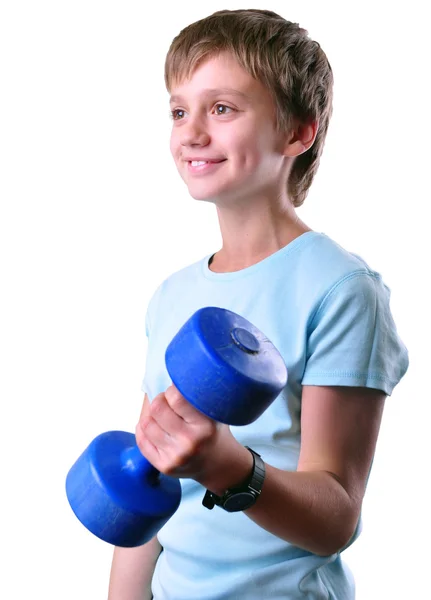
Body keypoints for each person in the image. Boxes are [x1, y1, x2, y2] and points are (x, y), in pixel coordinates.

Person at [108, 8, 409, 599]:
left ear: (298, 131)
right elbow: (149, 491)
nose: (192, 132)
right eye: (178, 110)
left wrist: (229, 467)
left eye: (221, 108)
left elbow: (335, 519)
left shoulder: (343, 290)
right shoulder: (172, 295)